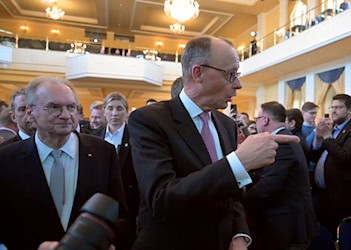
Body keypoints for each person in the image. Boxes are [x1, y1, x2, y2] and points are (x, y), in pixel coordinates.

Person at [128, 36, 299, 250]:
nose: (238, 84)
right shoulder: (150, 120)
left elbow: (230, 193)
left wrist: (239, 233)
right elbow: (162, 199)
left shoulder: (226, 124)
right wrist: (239, 162)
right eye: (231, 74)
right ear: (198, 73)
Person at [0, 76, 127, 250]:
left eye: (71, 107)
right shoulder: (7, 158)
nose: (66, 115)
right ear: (30, 113)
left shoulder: (103, 152)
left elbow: (117, 211)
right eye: (54, 107)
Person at [245, 101, 318, 250]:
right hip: (286, 220)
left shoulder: (282, 143)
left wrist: (240, 200)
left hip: (286, 224)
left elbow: (268, 186)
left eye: (258, 118)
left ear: (265, 120)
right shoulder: (286, 138)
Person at [311, 93, 351, 238]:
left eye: (339, 107)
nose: (334, 111)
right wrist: (318, 139)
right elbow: (315, 158)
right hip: (323, 195)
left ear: (350, 110)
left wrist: (327, 137)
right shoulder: (332, 130)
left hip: (343, 196)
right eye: (332, 107)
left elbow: (345, 159)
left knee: (341, 237)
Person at [92, 92, 139, 245]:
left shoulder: (135, 136)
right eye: (110, 108)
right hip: (101, 198)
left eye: (119, 109)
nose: (115, 113)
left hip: (129, 200)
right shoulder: (94, 137)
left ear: (126, 112)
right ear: (104, 111)